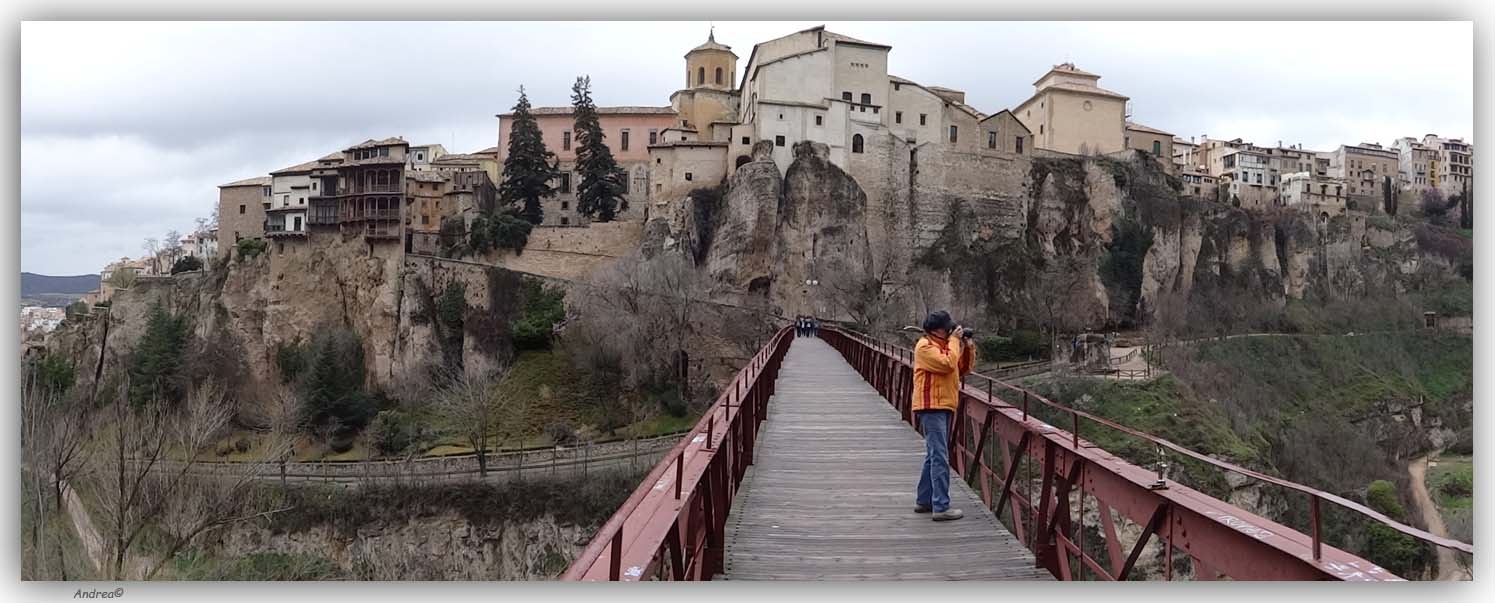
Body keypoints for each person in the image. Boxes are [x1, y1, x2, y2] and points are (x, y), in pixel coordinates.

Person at [912, 310, 976, 521]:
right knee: (940, 456)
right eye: (945, 328)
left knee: (933, 455)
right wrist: (955, 342)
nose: (949, 330)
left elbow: (962, 368)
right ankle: (940, 506)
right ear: (935, 330)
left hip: (944, 405)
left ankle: (924, 501)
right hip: (931, 406)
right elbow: (947, 364)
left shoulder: (947, 346)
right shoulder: (925, 347)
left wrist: (967, 346)